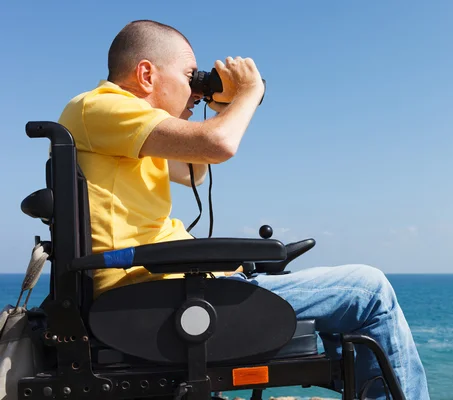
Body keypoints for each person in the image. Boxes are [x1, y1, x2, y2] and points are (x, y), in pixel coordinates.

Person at [57, 20, 430, 400]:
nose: (195, 91)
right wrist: (249, 93)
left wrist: (220, 106)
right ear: (146, 74)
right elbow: (218, 144)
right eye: (191, 77)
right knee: (368, 290)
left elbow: (194, 172)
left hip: (161, 291)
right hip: (160, 298)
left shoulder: (111, 124)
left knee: (356, 299)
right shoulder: (101, 105)